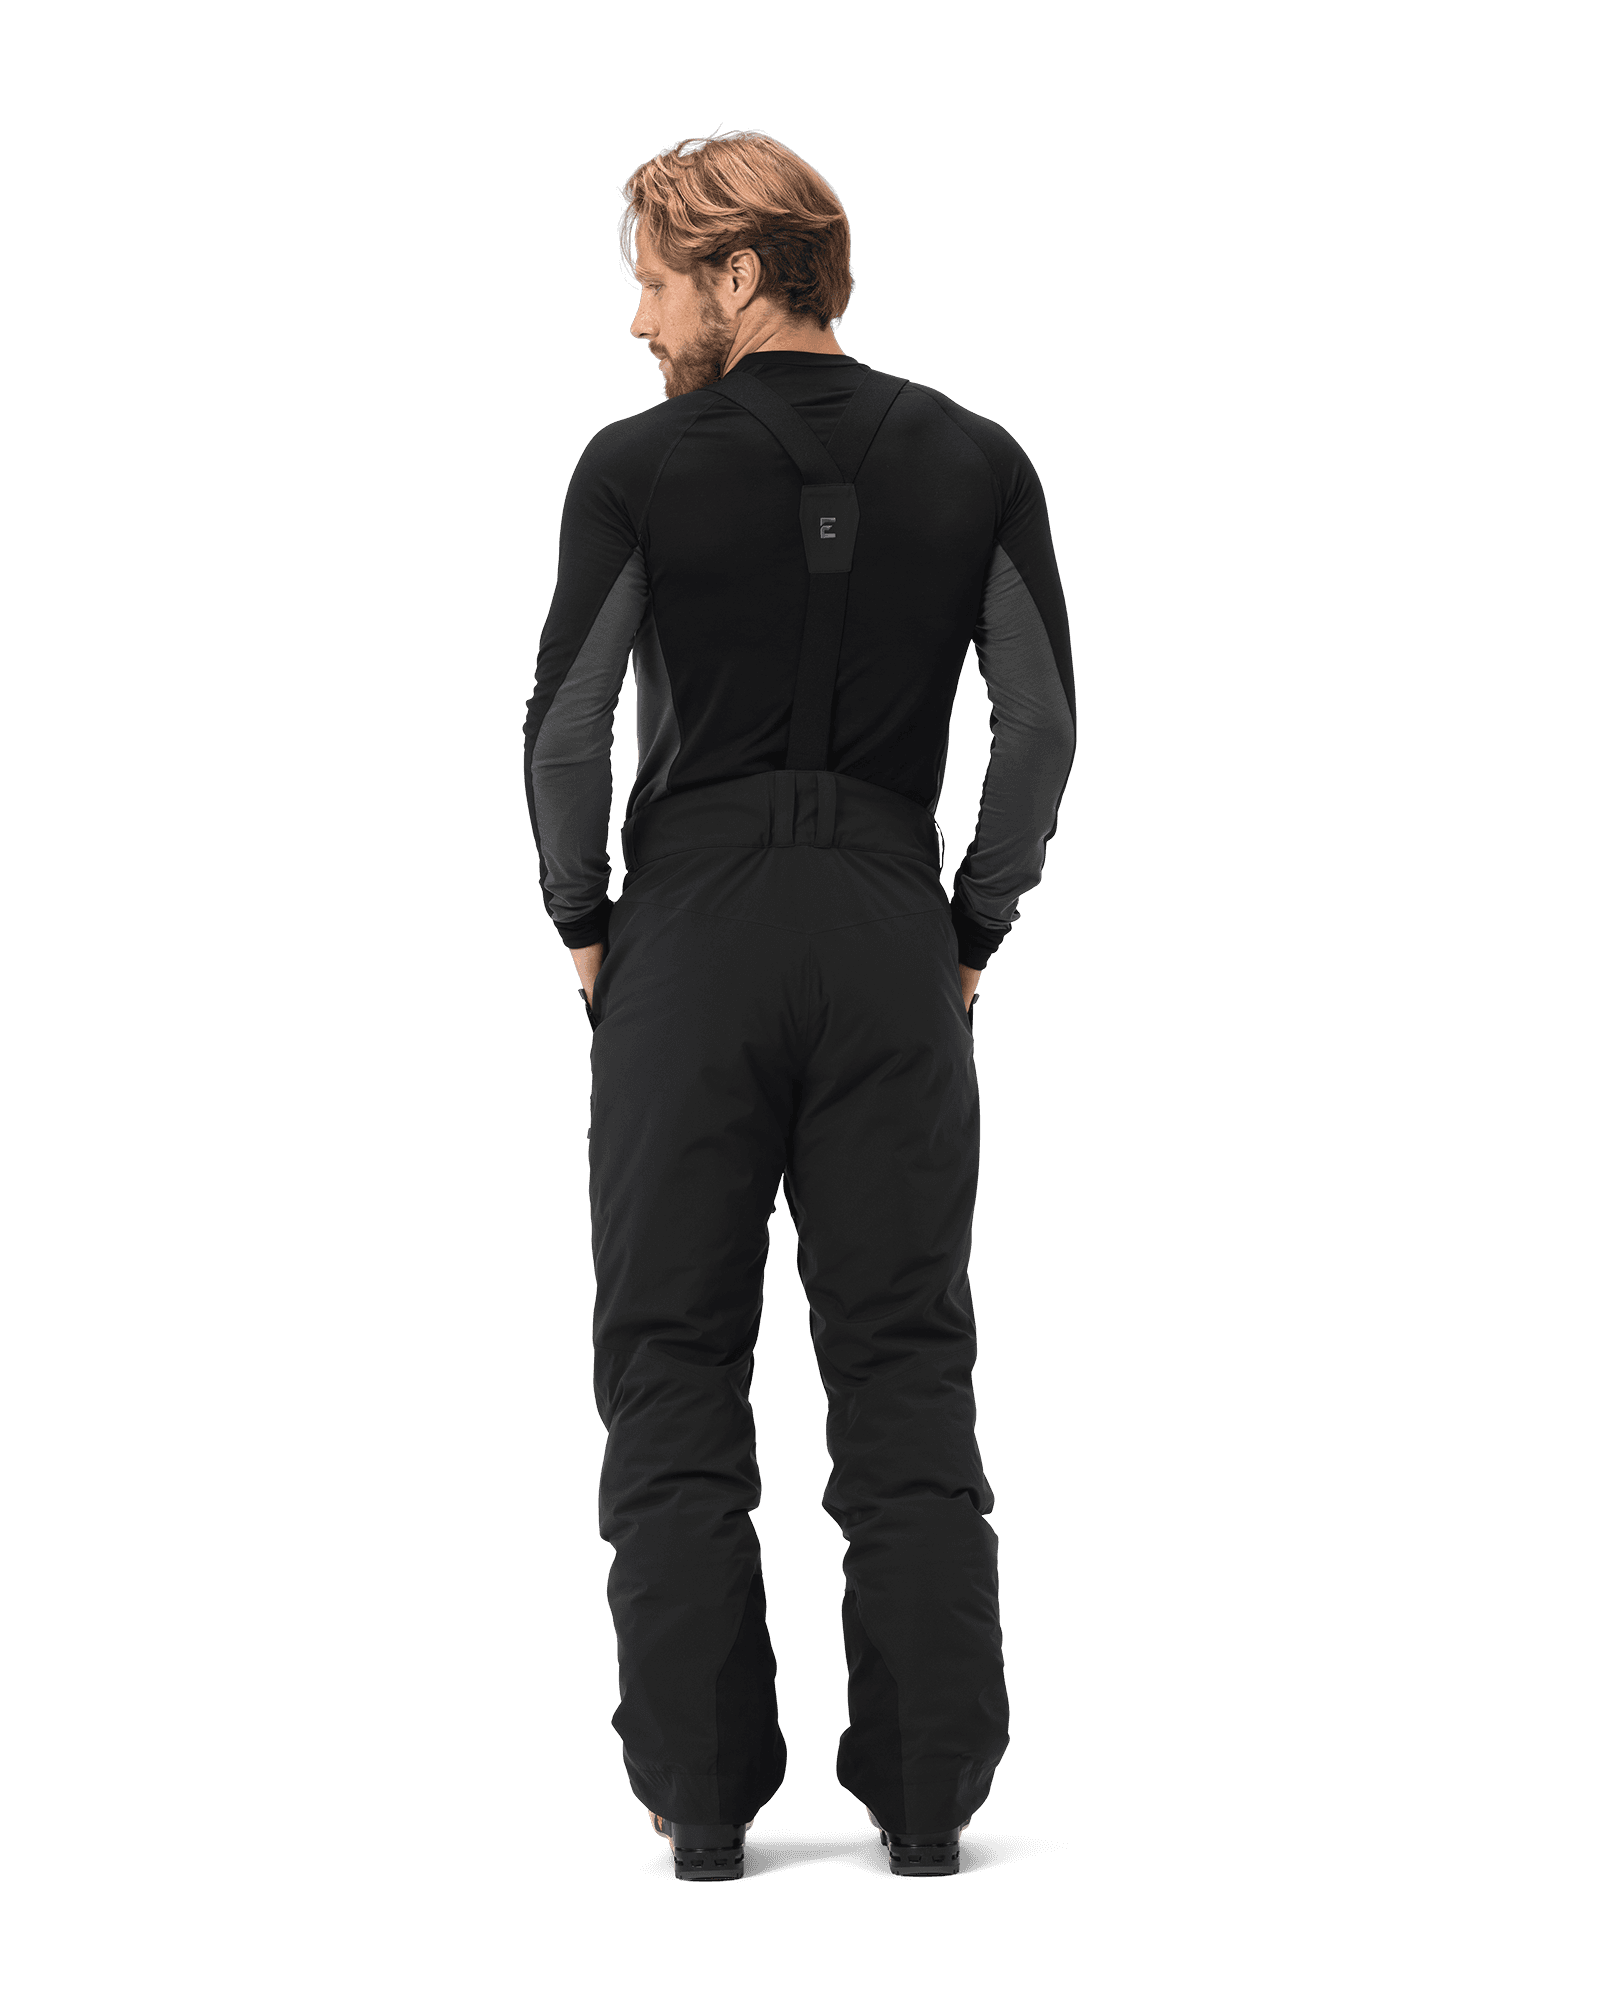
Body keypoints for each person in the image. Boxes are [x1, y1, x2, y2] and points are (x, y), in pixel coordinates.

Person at [523, 130, 1077, 1882]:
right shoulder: (981, 457)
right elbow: (1041, 729)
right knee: (905, 1358)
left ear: (740, 274)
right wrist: (971, 925)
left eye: (653, 282)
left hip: (689, 934)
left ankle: (703, 1808)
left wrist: (585, 923)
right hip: (891, 926)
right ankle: (928, 1806)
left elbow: (568, 731)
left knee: (670, 1358)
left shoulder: (631, 467)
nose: (637, 321)